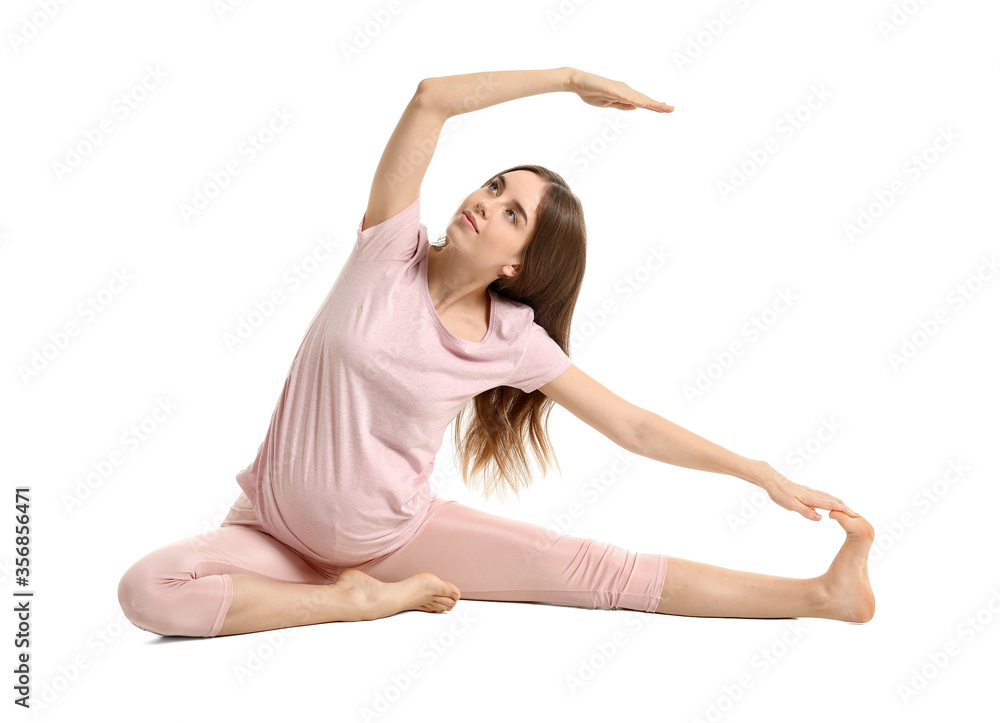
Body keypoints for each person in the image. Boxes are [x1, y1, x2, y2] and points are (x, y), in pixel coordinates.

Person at [117, 67, 875, 638]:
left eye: (513, 212)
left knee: (587, 568)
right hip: (272, 535)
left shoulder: (512, 341)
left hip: (396, 539)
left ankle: (821, 596)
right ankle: (349, 606)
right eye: (493, 185)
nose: (485, 201)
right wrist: (570, 79)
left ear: (520, 262)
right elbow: (431, 98)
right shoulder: (389, 249)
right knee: (147, 589)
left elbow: (634, 427)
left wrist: (759, 472)